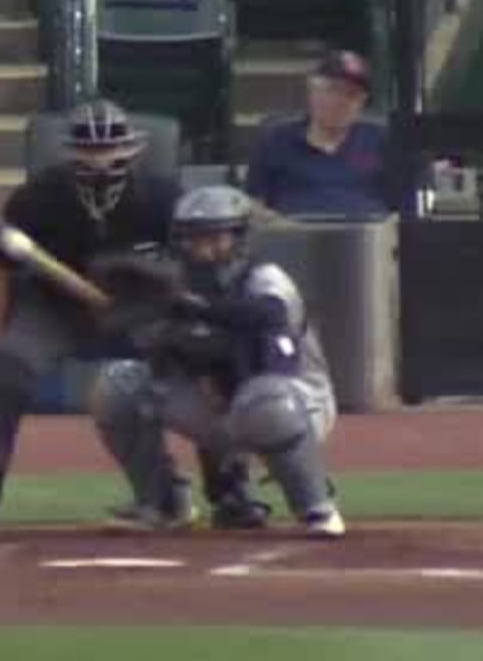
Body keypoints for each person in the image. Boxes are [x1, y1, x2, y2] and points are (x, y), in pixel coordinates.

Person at [0, 100, 179, 534]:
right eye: (89, 151)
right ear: (69, 152)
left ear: (132, 150)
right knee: (8, 368)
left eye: (110, 151)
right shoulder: (36, 198)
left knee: (197, 356)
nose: (100, 161)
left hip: (140, 309)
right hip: (55, 309)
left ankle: (224, 489)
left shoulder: (162, 198)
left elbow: (186, 272)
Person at [86, 183, 342, 536]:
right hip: (221, 406)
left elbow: (266, 326)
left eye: (213, 238)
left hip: (298, 401)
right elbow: (162, 357)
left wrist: (197, 310)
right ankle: (163, 503)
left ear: (239, 238)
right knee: (118, 386)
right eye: (193, 238)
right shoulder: (174, 286)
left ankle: (316, 506)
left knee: (264, 399)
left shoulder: (265, 279)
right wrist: (150, 321)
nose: (202, 249)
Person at [242, 49, 390, 218]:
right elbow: (252, 202)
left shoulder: (381, 141)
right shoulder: (275, 141)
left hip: (365, 239)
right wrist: (271, 223)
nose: (340, 101)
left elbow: (407, 205)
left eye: (352, 95)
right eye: (333, 90)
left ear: (362, 102)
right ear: (312, 90)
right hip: (295, 239)